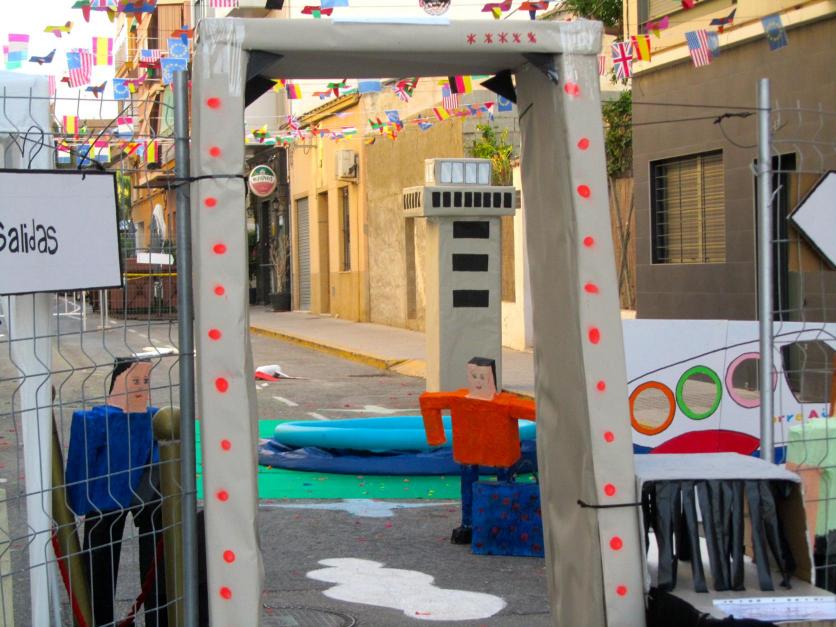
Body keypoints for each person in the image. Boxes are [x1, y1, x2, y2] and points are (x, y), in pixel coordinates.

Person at [65, 357, 167, 626]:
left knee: (156, 555)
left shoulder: (154, 417)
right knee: (99, 559)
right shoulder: (94, 420)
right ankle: (96, 620)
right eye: (135, 381)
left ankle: (160, 617)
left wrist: (154, 493)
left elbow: (159, 456)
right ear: (118, 383)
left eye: (145, 381)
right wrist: (78, 499)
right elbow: (80, 460)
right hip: (104, 494)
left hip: (144, 491)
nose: (141, 387)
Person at [419, 357, 536, 544]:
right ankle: (469, 524)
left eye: (482, 377)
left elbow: (533, 410)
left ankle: (502, 524)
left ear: (492, 379)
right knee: (470, 487)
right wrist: (436, 436)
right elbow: (428, 402)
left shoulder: (503, 403)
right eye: (474, 376)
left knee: (504, 486)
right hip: (470, 451)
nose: (478, 382)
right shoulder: (461, 399)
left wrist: (436, 436)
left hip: (499, 453)